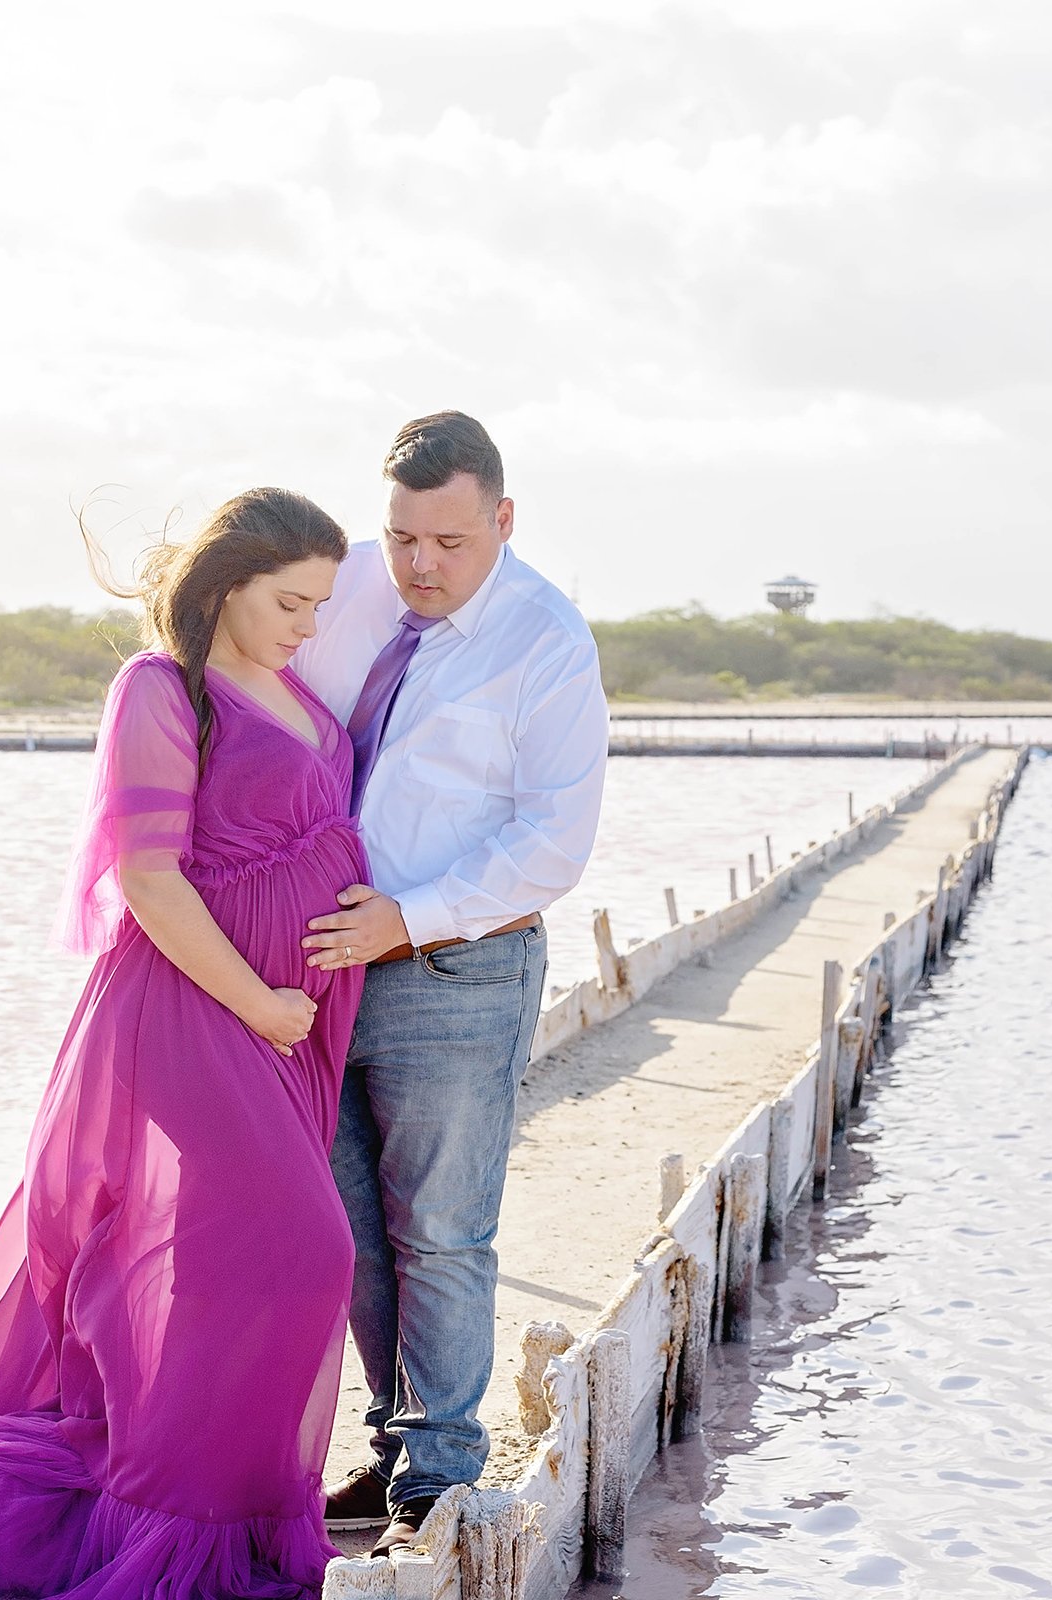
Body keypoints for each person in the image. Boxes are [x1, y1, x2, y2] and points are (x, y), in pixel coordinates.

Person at [0, 488, 368, 1599]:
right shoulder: (162, 688)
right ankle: (174, 1524)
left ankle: (230, 1517)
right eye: (292, 600)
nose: (309, 623)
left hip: (287, 1022)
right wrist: (258, 1001)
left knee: (222, 1261)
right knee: (305, 1247)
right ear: (225, 584)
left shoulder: (294, 690)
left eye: (321, 604)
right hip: (198, 1009)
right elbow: (151, 879)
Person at [292, 412, 607, 1556]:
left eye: (450, 542)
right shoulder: (357, 594)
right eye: (402, 536)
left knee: (440, 1227)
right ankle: (389, 1448)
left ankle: (440, 1474)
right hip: (325, 970)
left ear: (503, 521)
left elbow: (553, 844)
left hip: (456, 969)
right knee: (349, 1228)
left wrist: (407, 918)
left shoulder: (546, 641)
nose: (420, 564)